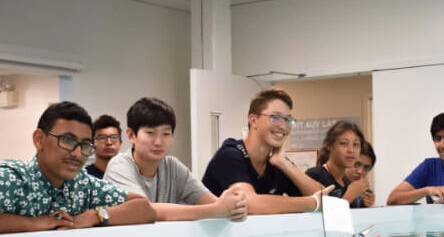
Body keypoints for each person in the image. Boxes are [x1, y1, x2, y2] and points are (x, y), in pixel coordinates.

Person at [0, 101, 155, 234]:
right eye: (67, 140)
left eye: (85, 145)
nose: (77, 153)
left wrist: (96, 216)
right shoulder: (11, 178)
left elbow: (143, 208)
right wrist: (35, 223)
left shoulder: (82, 185)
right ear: (39, 139)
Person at [104, 97, 247, 222]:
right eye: (150, 133)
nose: (159, 142)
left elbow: (213, 202)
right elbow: (145, 210)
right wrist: (214, 210)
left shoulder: (173, 166)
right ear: (131, 135)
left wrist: (234, 206)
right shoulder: (119, 166)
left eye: (166, 133)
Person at [202, 89, 333, 214]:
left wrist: (283, 163)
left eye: (288, 120)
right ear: (253, 120)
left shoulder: (276, 162)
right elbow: (249, 203)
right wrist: (311, 203)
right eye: (275, 117)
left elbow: (325, 199)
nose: (283, 126)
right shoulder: (230, 155)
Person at [306, 121, 370, 206]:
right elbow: (325, 215)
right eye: (344, 143)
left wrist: (364, 203)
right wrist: (351, 194)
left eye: (356, 144)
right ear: (328, 145)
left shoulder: (346, 182)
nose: (351, 150)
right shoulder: (315, 175)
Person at [86, 114, 122, 179]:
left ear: (120, 143)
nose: (109, 142)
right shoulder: (84, 177)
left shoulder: (129, 175)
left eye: (113, 137)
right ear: (92, 143)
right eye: (102, 138)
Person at [345, 141, 376, 208]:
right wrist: (351, 195)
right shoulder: (329, 183)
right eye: (356, 164)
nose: (360, 171)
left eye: (366, 167)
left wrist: (364, 205)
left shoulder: (365, 191)